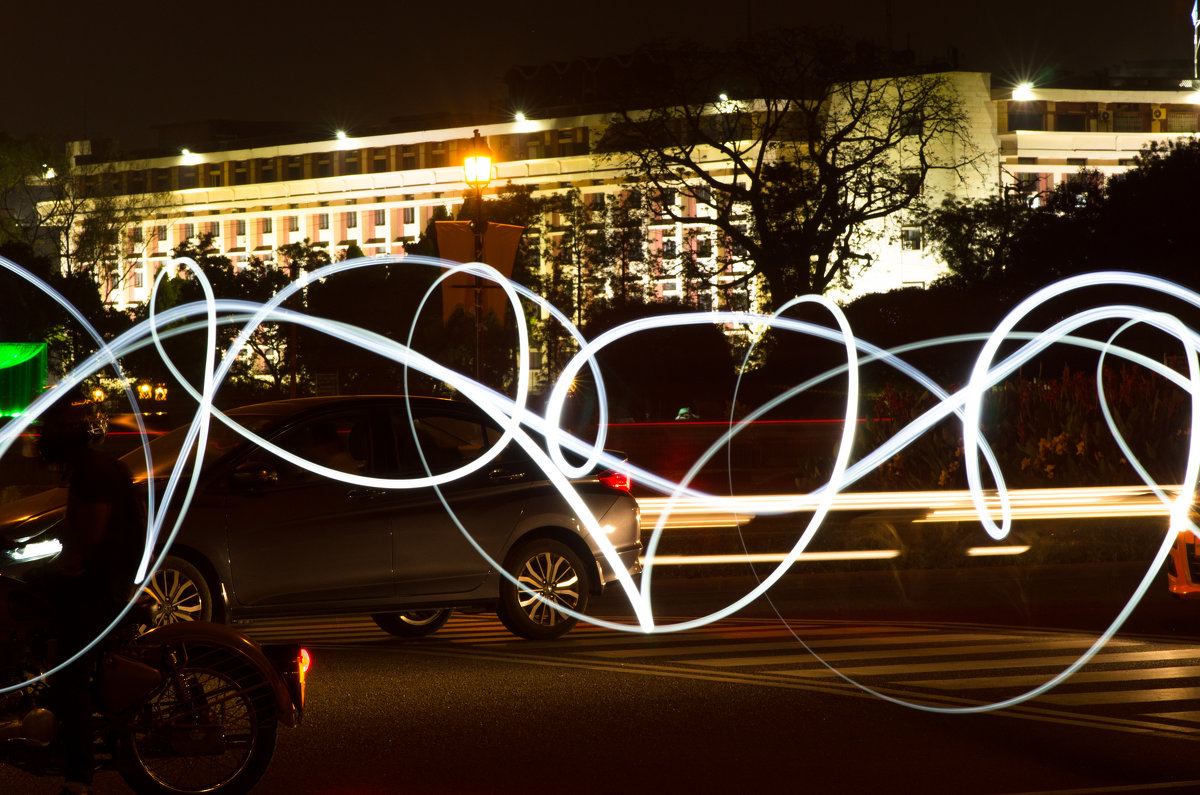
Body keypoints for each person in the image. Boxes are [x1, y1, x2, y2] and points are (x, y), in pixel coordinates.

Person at [33, 394, 144, 795]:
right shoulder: (88, 469)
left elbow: (90, 539)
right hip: (99, 578)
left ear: (70, 433)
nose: (44, 436)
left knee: (69, 676)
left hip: (100, 586)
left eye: (53, 427)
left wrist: (65, 564)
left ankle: (78, 775)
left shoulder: (93, 473)